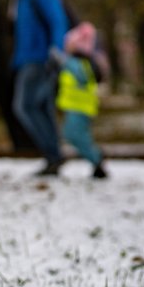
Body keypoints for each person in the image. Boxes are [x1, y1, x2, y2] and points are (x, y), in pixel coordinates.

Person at [10, 0, 68, 176]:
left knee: (25, 106)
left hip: (40, 59)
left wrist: (56, 50)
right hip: (28, 58)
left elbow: (58, 20)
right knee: (41, 106)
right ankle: (53, 156)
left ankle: (53, 153)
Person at [56, 23, 107, 179]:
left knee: (73, 135)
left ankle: (96, 157)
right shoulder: (79, 63)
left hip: (80, 107)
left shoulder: (77, 64)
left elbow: (79, 76)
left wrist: (61, 61)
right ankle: (96, 159)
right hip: (76, 106)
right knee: (76, 135)